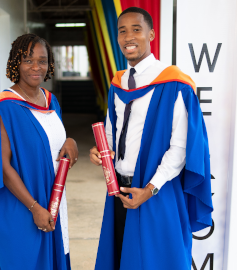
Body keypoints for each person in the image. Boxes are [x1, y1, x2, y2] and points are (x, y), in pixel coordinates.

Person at [89, 7, 213, 270]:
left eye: (136, 29)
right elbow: (113, 132)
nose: (128, 37)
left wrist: (150, 189)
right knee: (122, 258)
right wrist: (102, 151)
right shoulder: (118, 83)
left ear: (151, 34)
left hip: (156, 191)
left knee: (157, 262)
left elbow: (180, 149)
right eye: (122, 31)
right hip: (119, 191)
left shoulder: (174, 83)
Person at [0, 33, 78, 270]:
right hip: (20, 208)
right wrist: (34, 208)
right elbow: (2, 165)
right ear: (15, 63)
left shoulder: (50, 101)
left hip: (52, 201)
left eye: (42, 60)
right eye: (28, 60)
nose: (36, 67)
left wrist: (70, 141)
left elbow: (52, 142)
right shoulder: (4, 108)